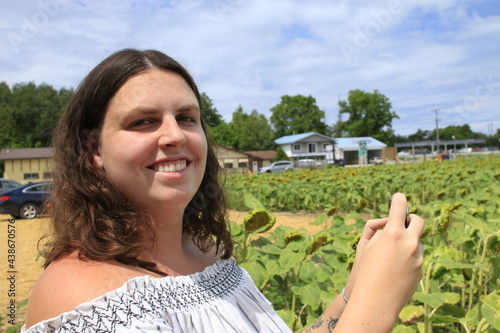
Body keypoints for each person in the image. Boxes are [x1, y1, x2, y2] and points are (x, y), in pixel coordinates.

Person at [22, 49, 424, 332]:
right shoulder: (79, 296)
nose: (174, 135)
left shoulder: (206, 255)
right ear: (94, 150)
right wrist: (377, 307)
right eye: (144, 121)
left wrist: (357, 286)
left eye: (187, 117)